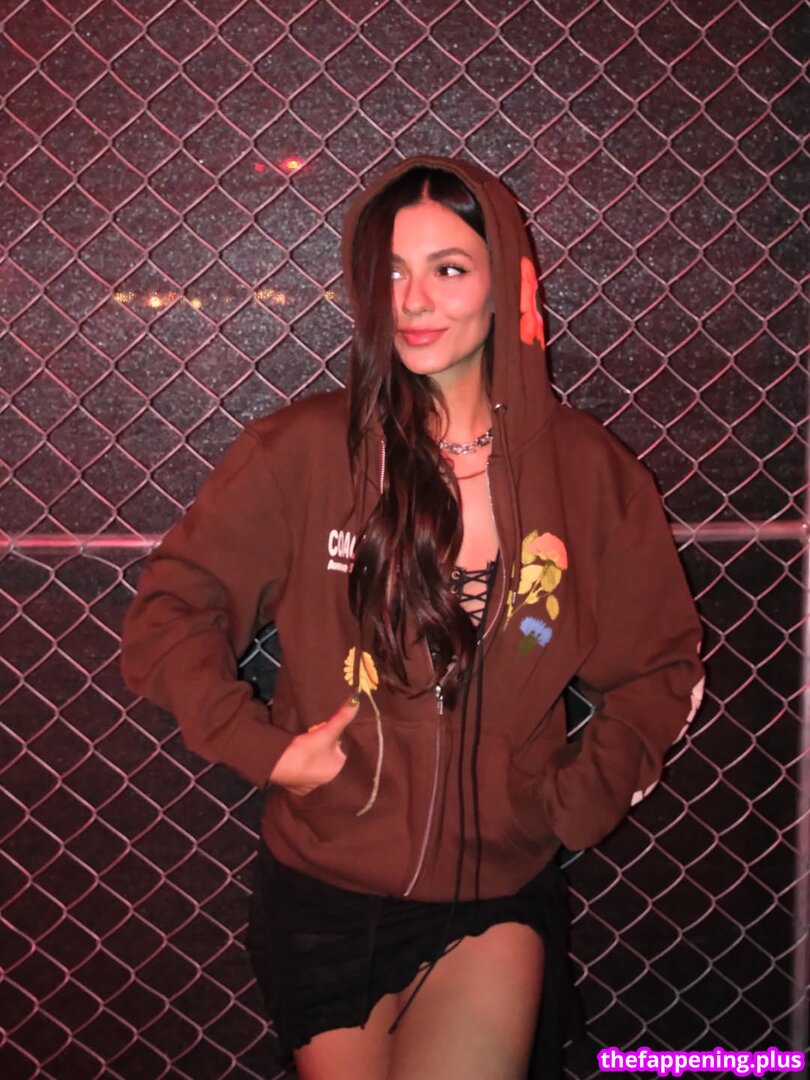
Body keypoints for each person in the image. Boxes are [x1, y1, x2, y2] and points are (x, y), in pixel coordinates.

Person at [121, 155, 705, 1080]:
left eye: (449, 268)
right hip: (321, 893)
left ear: (508, 283)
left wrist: (573, 800)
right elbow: (170, 612)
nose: (414, 300)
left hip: (494, 895)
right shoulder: (305, 451)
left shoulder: (587, 473)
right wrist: (262, 748)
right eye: (391, 271)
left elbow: (660, 665)